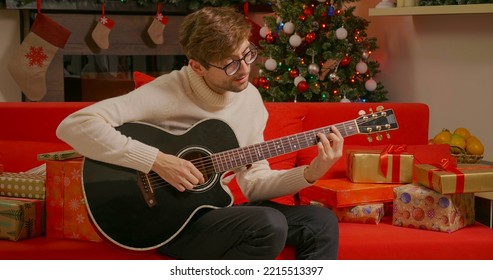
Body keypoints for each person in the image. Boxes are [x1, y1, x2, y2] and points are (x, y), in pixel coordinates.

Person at [56, 6, 344, 260]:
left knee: (321, 222)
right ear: (197, 67)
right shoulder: (168, 91)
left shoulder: (250, 98)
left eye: (248, 54)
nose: (244, 69)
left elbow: (254, 182)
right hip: (167, 220)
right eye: (230, 63)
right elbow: (75, 125)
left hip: (213, 211)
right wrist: (157, 161)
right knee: (269, 223)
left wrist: (311, 172)